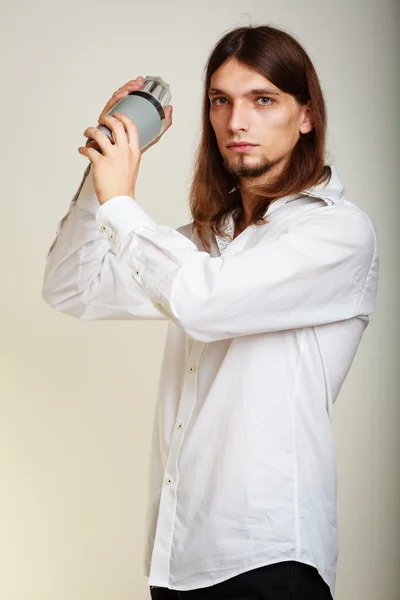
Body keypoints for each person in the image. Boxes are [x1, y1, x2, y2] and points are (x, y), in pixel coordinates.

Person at [42, 24, 379, 600]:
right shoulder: (206, 242)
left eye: (262, 99)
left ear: (306, 116)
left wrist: (122, 202)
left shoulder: (337, 232)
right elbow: (74, 287)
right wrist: (102, 172)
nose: (236, 121)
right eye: (220, 101)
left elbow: (203, 301)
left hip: (270, 559)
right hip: (179, 558)